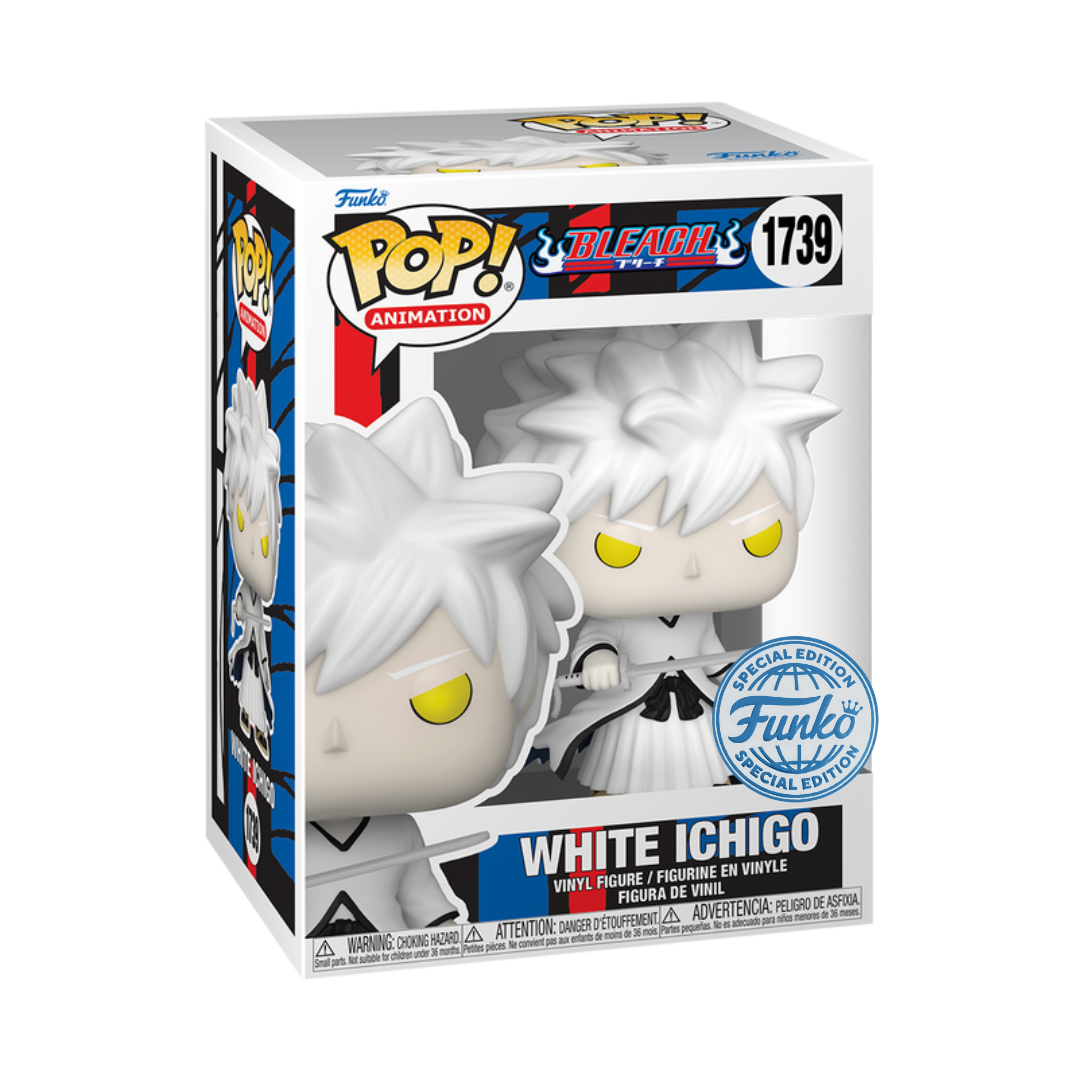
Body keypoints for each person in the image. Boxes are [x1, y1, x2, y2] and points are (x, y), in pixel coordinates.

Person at [477, 322, 840, 794]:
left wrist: (736, 674)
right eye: (619, 549)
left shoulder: (700, 616)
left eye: (759, 538)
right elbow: (598, 642)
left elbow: (711, 654)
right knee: (620, 778)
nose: (693, 568)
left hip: (696, 713)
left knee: (707, 774)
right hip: (631, 716)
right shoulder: (616, 616)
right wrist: (599, 659)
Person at [305, 396, 575, 934]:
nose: (334, 738)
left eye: (438, 701)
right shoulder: (278, 836)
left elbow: (429, 908)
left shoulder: (400, 834)